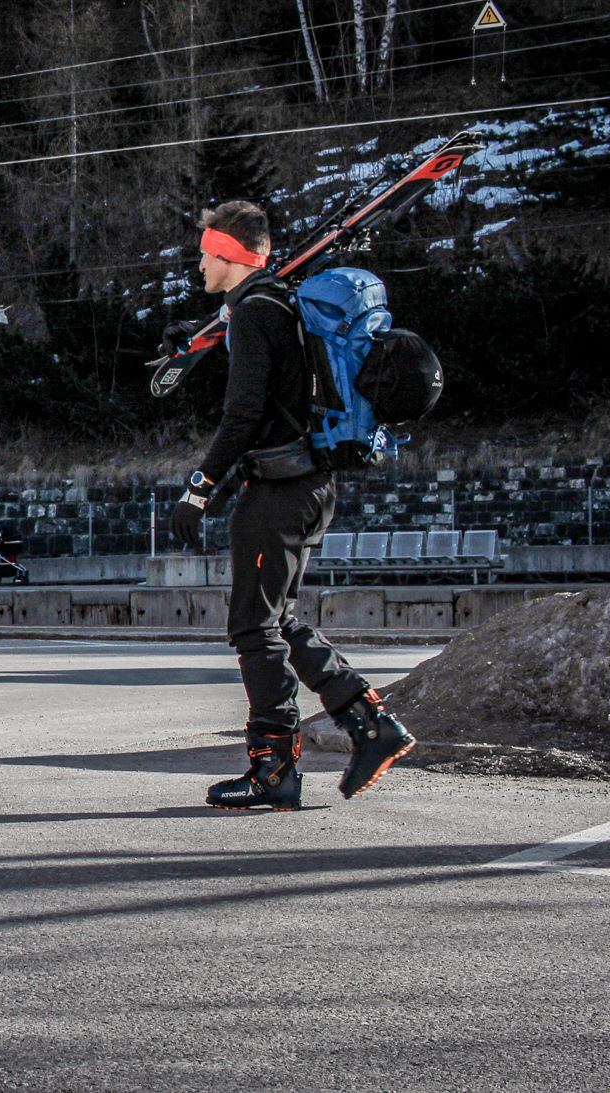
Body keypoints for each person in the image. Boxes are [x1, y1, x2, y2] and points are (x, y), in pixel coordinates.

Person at [168, 201, 417, 810]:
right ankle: (367, 722)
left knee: (254, 628)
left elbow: (244, 413)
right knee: (277, 620)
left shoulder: (256, 313)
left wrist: (199, 487)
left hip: (278, 493)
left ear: (226, 253)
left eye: (204, 252)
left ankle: (274, 769)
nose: (198, 262)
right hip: (308, 486)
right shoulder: (277, 303)